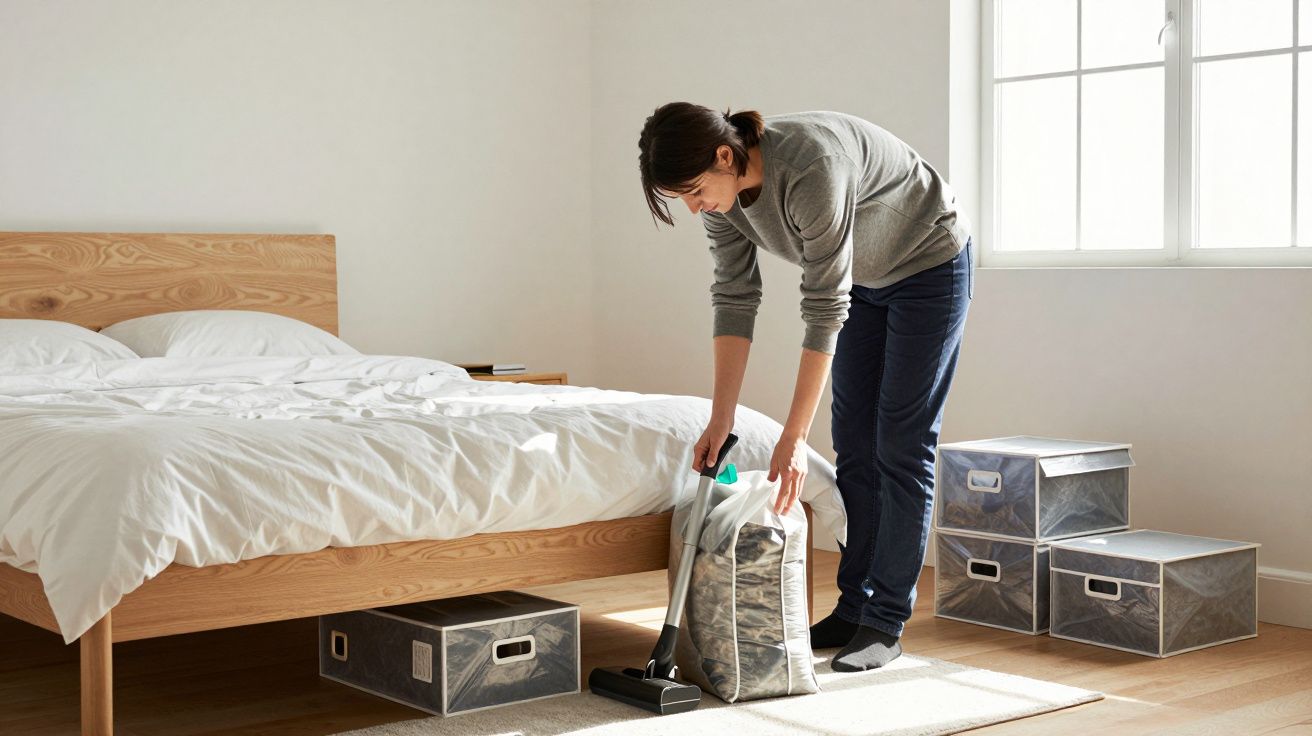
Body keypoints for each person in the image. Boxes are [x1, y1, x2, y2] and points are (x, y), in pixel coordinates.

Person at [637, 103, 973, 671]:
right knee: (855, 444)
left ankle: (885, 621)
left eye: (694, 191)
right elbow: (735, 298)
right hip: (863, 280)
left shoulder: (812, 165)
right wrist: (722, 420)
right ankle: (854, 607)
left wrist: (793, 438)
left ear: (725, 156)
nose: (695, 207)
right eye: (682, 199)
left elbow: (823, 306)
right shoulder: (721, 202)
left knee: (900, 443)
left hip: (928, 265)